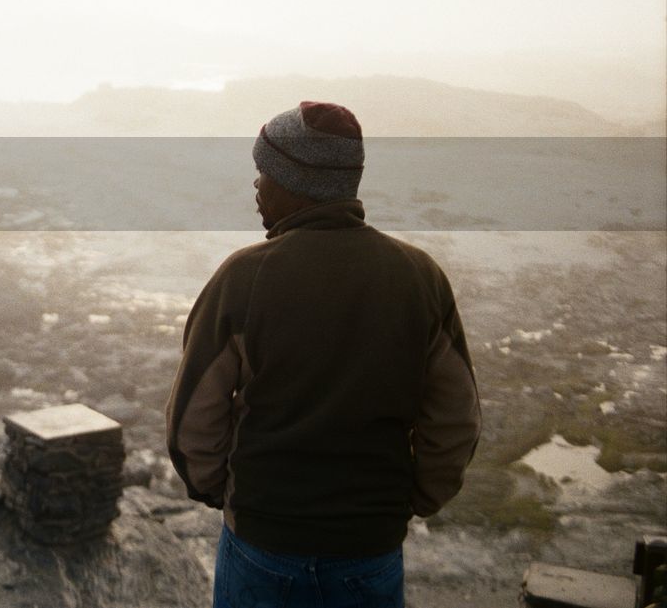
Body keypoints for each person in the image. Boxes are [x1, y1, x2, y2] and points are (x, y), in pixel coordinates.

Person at [165, 100, 481, 608]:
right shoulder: (419, 278)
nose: (256, 186)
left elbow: (191, 423)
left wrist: (225, 496)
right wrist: (416, 500)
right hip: (369, 550)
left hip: (262, 548)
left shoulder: (243, 279)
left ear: (294, 184)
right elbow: (456, 419)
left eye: (264, 173)